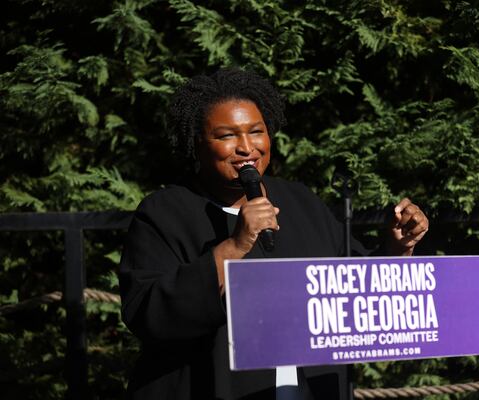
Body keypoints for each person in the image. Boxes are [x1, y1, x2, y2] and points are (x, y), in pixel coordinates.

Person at [119, 68, 429, 400]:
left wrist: (397, 247)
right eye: (226, 136)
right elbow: (147, 314)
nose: (245, 147)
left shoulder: (301, 202)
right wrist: (235, 247)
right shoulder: (164, 212)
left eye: (256, 132)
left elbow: (350, 290)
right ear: (196, 141)